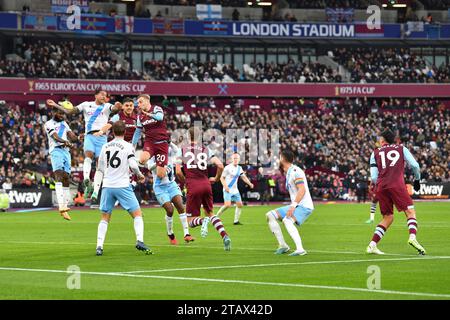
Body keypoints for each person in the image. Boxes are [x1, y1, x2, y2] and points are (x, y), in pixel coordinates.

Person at [46, 90, 122, 198]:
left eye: (105, 95)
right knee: (88, 156)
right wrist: (55, 105)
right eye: (102, 94)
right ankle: (86, 179)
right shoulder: (86, 105)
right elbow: (70, 112)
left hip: (102, 138)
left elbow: (115, 108)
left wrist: (118, 106)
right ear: (95, 95)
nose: (104, 97)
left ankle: (95, 191)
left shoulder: (107, 106)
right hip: (89, 136)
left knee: (100, 164)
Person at [94, 120, 151, 256]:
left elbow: (100, 168)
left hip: (108, 185)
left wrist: (97, 187)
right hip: (122, 185)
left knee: (105, 217)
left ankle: (99, 246)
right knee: (137, 214)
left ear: (112, 132)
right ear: (125, 132)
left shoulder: (105, 146)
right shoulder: (127, 146)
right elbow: (133, 164)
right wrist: (139, 175)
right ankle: (140, 240)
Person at [366, 129, 425, 255]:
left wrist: (381, 186)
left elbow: (374, 177)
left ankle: (372, 245)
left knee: (388, 217)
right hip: (397, 185)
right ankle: (413, 238)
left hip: (381, 186)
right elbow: (415, 166)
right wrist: (417, 180)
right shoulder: (401, 148)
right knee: (410, 211)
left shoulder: (374, 153)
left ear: (383, 140)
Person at [175, 127, 231, 251]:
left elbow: (178, 171)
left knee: (190, 221)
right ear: (200, 136)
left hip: (193, 185)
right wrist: (216, 178)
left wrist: (185, 181)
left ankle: (203, 221)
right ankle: (225, 236)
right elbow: (220, 165)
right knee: (210, 212)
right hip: (206, 184)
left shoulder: (182, 150)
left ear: (188, 137)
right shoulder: (206, 149)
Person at [265, 150, 314, 256]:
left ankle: (300, 249)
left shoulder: (296, 171)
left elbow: (302, 190)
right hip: (297, 205)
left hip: (304, 205)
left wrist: (293, 206)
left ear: (283, 158)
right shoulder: (289, 172)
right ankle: (283, 245)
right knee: (270, 215)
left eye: (279, 157)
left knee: (287, 221)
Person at [91, 97, 139, 201]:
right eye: (127, 105)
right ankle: (96, 189)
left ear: (133, 106)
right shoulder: (118, 116)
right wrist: (100, 131)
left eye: (131, 105)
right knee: (105, 167)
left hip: (130, 147)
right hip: (118, 145)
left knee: (132, 167)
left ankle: (131, 187)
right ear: (122, 107)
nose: (129, 107)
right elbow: (108, 125)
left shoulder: (137, 118)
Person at [147, 142, 194, 244]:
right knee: (170, 209)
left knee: (181, 206)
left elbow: (178, 151)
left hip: (171, 185)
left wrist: (170, 143)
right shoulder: (153, 154)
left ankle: (187, 234)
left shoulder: (169, 152)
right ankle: (170, 233)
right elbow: (149, 167)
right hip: (160, 187)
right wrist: (159, 162)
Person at [44, 108, 79, 220]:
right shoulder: (49, 124)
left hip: (66, 151)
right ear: (53, 113)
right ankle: (61, 205)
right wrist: (65, 142)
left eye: (63, 114)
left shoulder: (64, 123)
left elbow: (72, 136)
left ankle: (65, 206)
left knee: (66, 178)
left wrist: (79, 137)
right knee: (58, 175)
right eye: (59, 113)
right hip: (56, 150)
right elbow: (55, 137)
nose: (61, 115)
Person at [133, 94, 169, 180]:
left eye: (140, 102)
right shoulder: (140, 116)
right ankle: (150, 164)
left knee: (161, 175)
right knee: (142, 159)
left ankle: (168, 167)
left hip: (162, 143)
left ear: (147, 101)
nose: (139, 105)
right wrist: (132, 146)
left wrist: (149, 114)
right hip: (150, 143)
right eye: (138, 103)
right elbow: (137, 132)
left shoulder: (156, 108)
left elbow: (160, 117)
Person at [216, 153, 254, 225]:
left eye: (237, 158)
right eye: (234, 158)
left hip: (235, 190)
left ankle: (236, 221)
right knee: (227, 205)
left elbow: (244, 177)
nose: (236, 160)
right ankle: (215, 217)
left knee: (240, 205)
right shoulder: (227, 168)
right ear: (231, 159)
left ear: (239, 159)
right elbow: (221, 178)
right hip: (228, 189)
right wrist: (225, 186)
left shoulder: (239, 168)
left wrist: (250, 183)